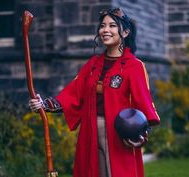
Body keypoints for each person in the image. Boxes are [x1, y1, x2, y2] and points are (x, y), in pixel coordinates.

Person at [29, 7, 160, 177]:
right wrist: (43, 104)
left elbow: (143, 104)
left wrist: (141, 133)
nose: (105, 30)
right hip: (90, 131)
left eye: (112, 26)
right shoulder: (92, 64)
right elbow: (73, 95)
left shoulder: (134, 66)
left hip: (119, 134)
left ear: (125, 32)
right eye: (103, 26)